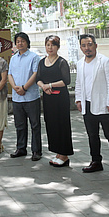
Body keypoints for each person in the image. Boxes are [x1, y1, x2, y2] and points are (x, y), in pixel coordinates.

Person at [75, 34, 109, 180]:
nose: (87, 48)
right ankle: (96, 161)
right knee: (92, 135)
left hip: (103, 104)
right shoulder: (80, 63)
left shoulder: (106, 62)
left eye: (89, 44)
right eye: (83, 45)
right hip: (87, 103)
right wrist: (78, 99)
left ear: (95, 45)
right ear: (81, 47)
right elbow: (79, 83)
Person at [36, 35, 73, 167]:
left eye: (53, 45)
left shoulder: (62, 62)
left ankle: (64, 154)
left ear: (57, 46)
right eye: (48, 45)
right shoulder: (42, 62)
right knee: (51, 124)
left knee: (62, 124)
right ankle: (57, 152)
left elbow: (66, 81)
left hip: (60, 98)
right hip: (48, 97)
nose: (50, 48)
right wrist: (43, 87)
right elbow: (38, 78)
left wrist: (50, 85)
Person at [8, 32, 42, 161]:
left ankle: (36, 151)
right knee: (20, 125)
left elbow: (35, 74)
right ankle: (21, 148)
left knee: (35, 125)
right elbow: (10, 74)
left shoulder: (34, 57)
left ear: (27, 42)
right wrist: (15, 88)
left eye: (22, 41)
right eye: (17, 41)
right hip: (17, 98)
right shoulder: (14, 58)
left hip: (31, 97)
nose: (20, 43)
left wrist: (24, 88)